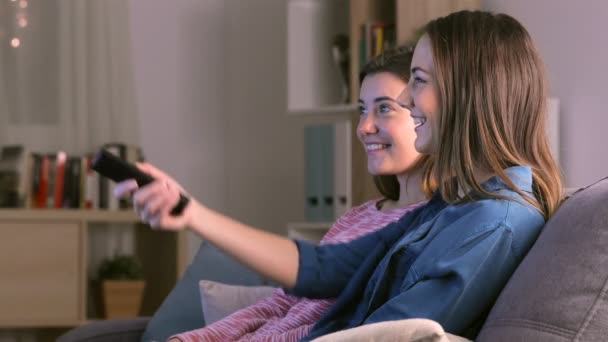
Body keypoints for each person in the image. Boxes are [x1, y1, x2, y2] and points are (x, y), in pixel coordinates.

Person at [115, 10, 563, 341]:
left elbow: (390, 333)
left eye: (419, 81)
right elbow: (324, 269)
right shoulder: (457, 205)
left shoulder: (495, 222)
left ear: (467, 93)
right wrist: (190, 212)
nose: (408, 100)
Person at [166, 47, 431, 342]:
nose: (364, 127)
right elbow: (281, 304)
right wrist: (193, 339)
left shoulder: (431, 228)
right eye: (361, 110)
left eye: (384, 108)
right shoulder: (358, 216)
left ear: (426, 114)